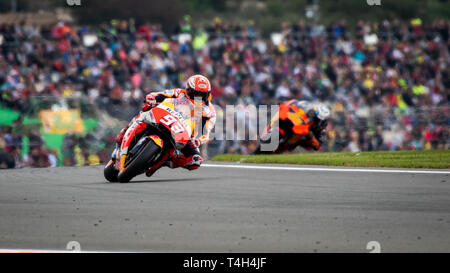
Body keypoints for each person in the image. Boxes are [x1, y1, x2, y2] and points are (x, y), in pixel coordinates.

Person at [115, 75, 216, 176]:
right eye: (195, 93)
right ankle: (125, 133)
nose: (198, 97)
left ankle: (167, 161)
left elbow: (206, 132)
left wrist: (199, 140)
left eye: (201, 95)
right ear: (188, 90)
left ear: (207, 95)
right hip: (165, 117)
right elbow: (161, 94)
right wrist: (153, 97)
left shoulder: (209, 111)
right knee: (146, 108)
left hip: (184, 135)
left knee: (196, 161)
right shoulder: (179, 93)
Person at [254, 100, 330, 154]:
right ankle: (266, 130)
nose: (314, 117)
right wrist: (286, 103)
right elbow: (295, 102)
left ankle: (277, 151)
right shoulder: (309, 109)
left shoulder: (321, 129)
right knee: (277, 114)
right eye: (314, 115)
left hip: (302, 136)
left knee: (290, 144)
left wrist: (311, 137)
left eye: (317, 119)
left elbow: (318, 146)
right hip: (295, 122)